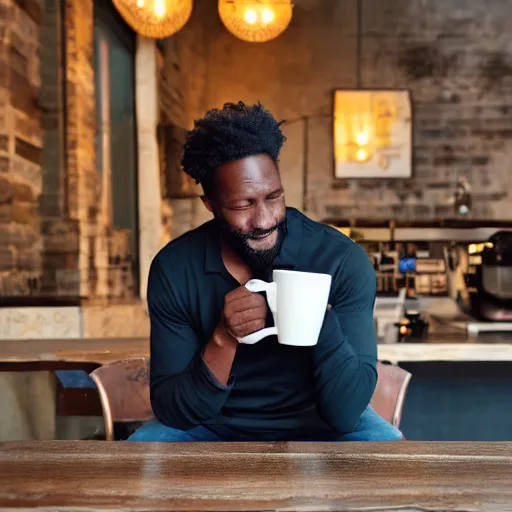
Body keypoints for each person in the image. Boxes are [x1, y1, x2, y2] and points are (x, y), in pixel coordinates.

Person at [129, 101, 402, 442]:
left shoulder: (339, 259)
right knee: (143, 455)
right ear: (210, 205)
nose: (264, 220)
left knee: (387, 452)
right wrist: (223, 338)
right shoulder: (175, 268)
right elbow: (173, 410)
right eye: (243, 204)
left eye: (274, 197)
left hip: (323, 423)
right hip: (210, 425)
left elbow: (346, 412)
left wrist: (320, 319)